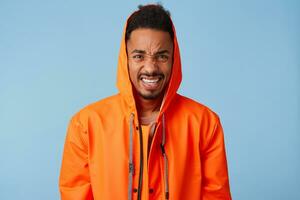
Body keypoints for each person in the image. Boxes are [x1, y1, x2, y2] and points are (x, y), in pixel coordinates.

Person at [59, 4, 232, 200]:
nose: (150, 67)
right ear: (126, 59)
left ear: (174, 59)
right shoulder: (86, 125)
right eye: (139, 56)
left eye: (162, 56)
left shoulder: (205, 124)